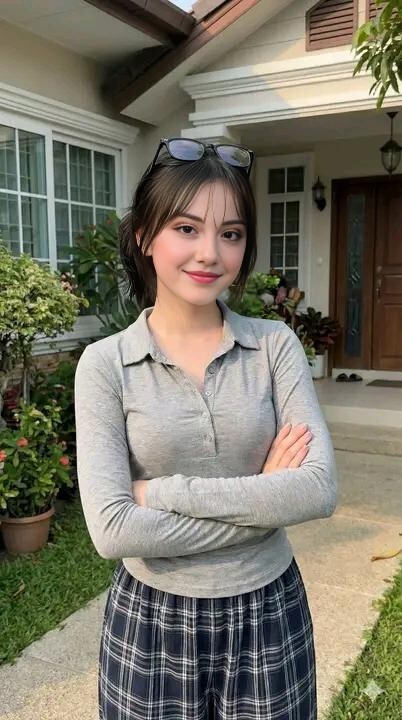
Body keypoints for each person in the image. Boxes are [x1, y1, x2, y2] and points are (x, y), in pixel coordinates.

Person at [74, 137, 338, 720]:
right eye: (186, 228)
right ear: (144, 236)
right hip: (151, 621)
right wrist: (265, 497)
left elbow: (317, 490)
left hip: (268, 613)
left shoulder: (275, 346)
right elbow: (113, 531)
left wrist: (161, 493)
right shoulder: (105, 365)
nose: (210, 253)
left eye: (231, 233)